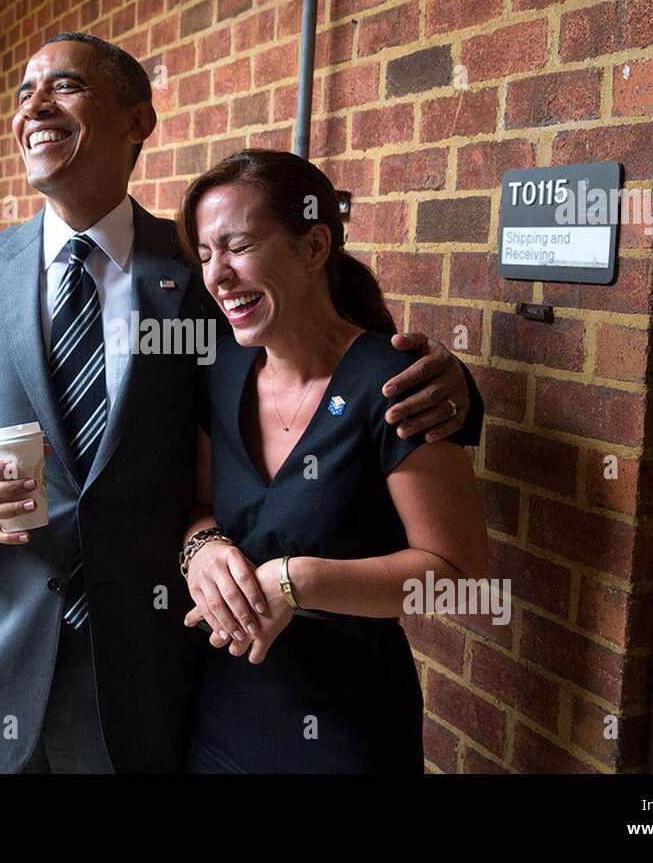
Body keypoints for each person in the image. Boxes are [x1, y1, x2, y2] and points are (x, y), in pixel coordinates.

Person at [0, 32, 483, 774]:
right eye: (23, 93)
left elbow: (309, 358)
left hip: (147, 671)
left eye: (64, 86)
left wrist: (452, 386)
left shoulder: (201, 276)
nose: (35, 107)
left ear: (139, 120)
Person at [174, 149, 491, 772]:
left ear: (315, 246)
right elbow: (202, 506)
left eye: (238, 246)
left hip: (348, 727)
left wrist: (299, 580)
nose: (218, 276)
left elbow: (456, 573)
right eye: (206, 256)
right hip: (220, 717)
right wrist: (200, 548)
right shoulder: (219, 369)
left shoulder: (398, 383)